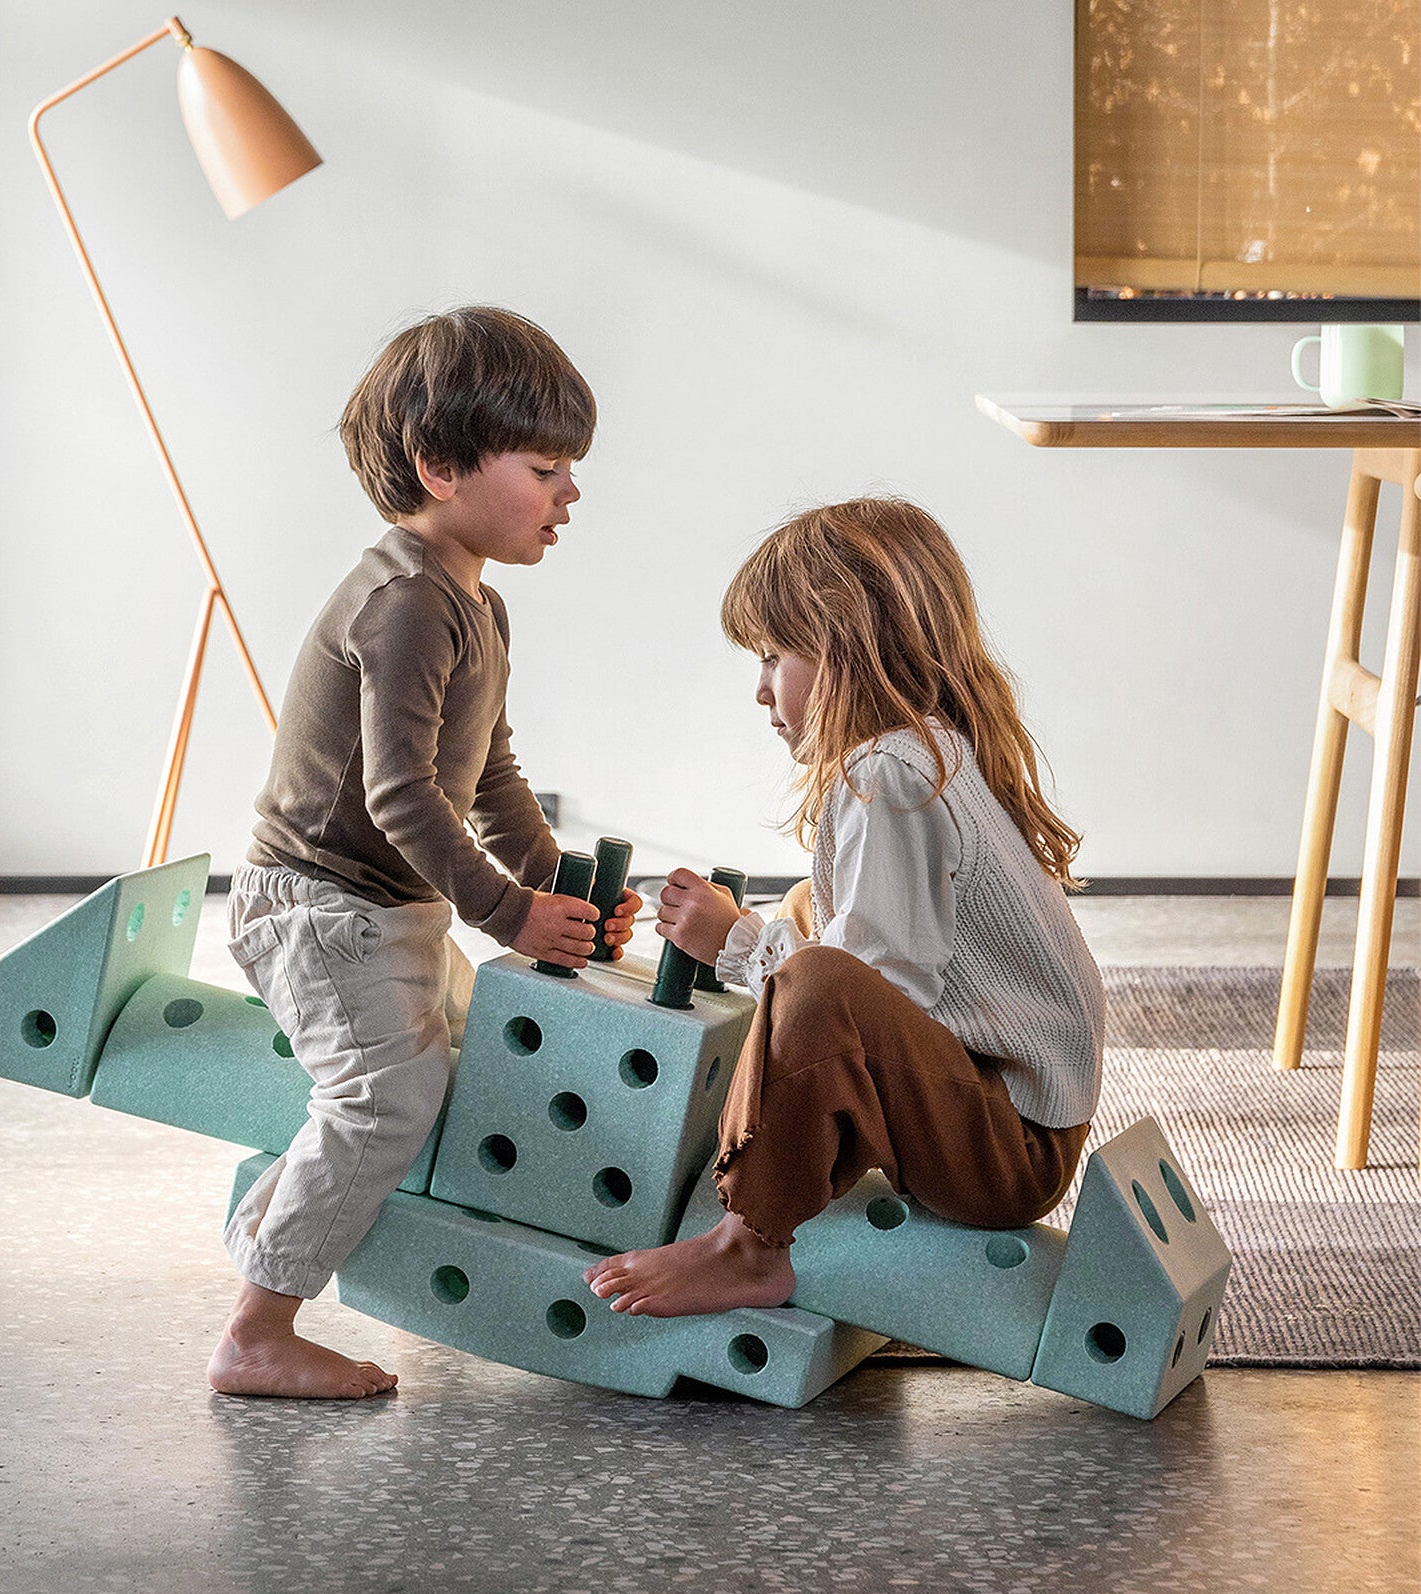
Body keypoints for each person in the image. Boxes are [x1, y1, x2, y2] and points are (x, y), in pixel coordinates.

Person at [210, 307, 642, 1398]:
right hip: (318, 905)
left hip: (381, 909)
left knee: (439, 1073)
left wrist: (558, 888)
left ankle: (284, 1241)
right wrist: (508, 914)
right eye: (546, 468)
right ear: (439, 466)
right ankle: (257, 1332)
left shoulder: (475, 607)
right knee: (385, 1098)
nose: (571, 494)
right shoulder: (407, 601)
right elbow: (402, 795)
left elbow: (487, 775)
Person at [585, 496, 1104, 1318]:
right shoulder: (930, 748)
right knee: (809, 911)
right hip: (1022, 1122)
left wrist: (738, 941)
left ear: (841, 653)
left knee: (816, 980)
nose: (761, 692)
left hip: (1009, 1153)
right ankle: (794, 1155)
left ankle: (748, 1245)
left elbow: (872, 990)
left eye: (772, 657)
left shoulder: (884, 775)